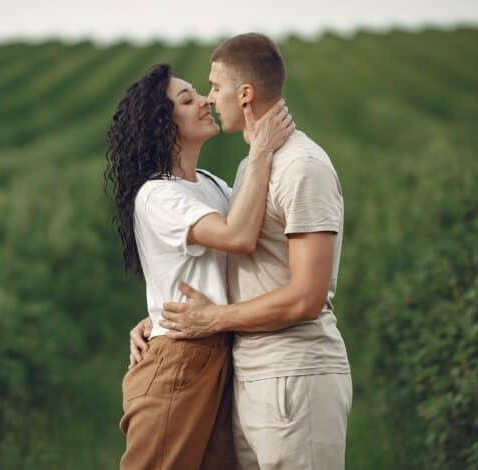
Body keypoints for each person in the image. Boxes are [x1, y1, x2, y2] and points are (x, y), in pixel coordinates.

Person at [129, 33, 353, 469]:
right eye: (195, 94)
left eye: (212, 87)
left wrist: (211, 318)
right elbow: (228, 250)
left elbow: (307, 295)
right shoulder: (248, 168)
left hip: (292, 372)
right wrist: (158, 314)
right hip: (247, 371)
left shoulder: (300, 167)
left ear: (245, 94)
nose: (209, 100)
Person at [105, 62, 293, 469]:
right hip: (181, 360)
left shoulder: (208, 183)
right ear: (163, 124)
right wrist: (259, 150)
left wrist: (152, 314)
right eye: (187, 99)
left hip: (217, 351)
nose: (206, 101)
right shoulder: (156, 195)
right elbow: (237, 237)